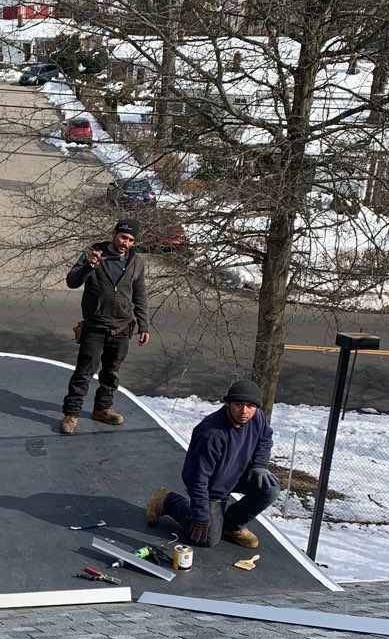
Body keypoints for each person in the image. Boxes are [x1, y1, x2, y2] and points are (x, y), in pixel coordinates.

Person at [146, 379, 280, 549]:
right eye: (238, 404)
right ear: (228, 404)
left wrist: (260, 465)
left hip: (236, 473)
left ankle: (231, 525)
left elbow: (265, 438)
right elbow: (196, 478)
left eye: (250, 406)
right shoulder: (211, 434)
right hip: (212, 487)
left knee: (270, 488)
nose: (244, 411)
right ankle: (167, 501)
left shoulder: (256, 418)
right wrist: (201, 515)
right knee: (206, 538)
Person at [59, 217, 151, 434]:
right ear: (114, 234)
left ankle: (102, 409)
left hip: (121, 327)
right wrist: (90, 266)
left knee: (111, 372)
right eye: (122, 237)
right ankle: (71, 414)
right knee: (84, 372)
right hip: (95, 325)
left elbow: (140, 294)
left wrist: (144, 325)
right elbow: (72, 282)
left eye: (130, 240)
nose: (125, 243)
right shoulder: (93, 254)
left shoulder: (136, 262)